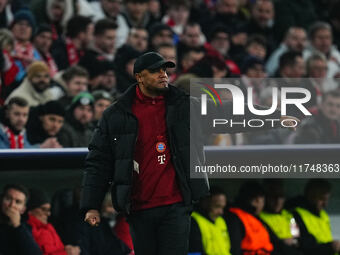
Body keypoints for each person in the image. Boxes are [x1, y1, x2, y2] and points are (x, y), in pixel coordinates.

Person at [80, 51, 298, 255]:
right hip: (139, 207)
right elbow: (98, 162)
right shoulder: (116, 115)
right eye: (156, 71)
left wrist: (273, 117)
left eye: (165, 71)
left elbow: (229, 114)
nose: (163, 75)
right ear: (139, 77)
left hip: (175, 204)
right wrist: (91, 205)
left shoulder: (184, 106)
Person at [292, 179, 340, 255]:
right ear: (311, 196)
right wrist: (330, 247)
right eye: (322, 199)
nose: (325, 204)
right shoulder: (296, 215)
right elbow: (302, 247)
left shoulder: (323, 215)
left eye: (327, 199)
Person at [27, 188, 81, 255]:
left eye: (49, 210)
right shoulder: (27, 229)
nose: (48, 213)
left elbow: (59, 248)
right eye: (44, 209)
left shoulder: (49, 227)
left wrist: (67, 249)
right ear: (30, 210)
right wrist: (66, 253)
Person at [0, 184, 42, 255]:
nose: (12, 205)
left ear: (23, 210)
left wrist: (17, 225)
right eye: (8, 199)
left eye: (18, 202)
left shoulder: (25, 227)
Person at [189, 186, 231, 255]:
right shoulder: (193, 221)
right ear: (205, 202)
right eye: (217, 206)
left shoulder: (220, 221)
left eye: (223, 207)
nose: (221, 212)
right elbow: (194, 252)